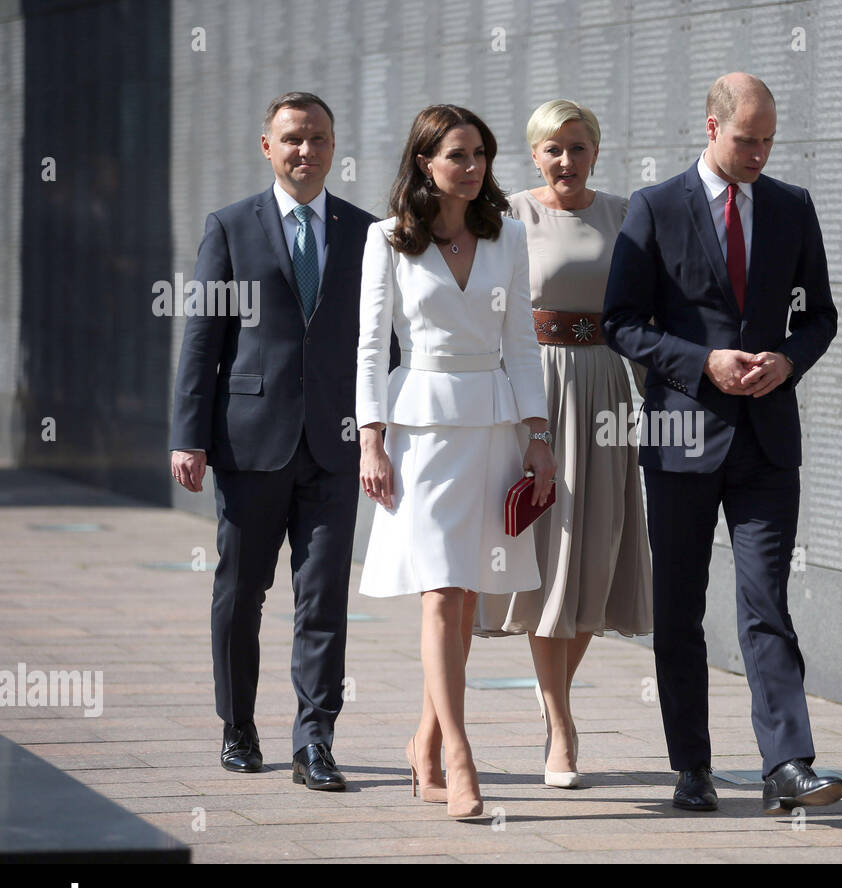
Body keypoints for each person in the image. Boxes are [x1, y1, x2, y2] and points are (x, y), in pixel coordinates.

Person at [603, 73, 842, 815]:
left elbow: (821, 316)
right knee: (679, 606)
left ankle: (787, 764)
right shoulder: (653, 207)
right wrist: (700, 361)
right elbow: (622, 322)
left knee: (766, 600)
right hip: (681, 435)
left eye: (770, 139)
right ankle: (692, 767)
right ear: (711, 129)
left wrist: (789, 359)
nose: (760, 153)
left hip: (767, 442)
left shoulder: (792, 207)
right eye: (748, 139)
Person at [170, 91, 375, 791]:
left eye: (318, 137)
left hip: (336, 446)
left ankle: (314, 740)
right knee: (240, 591)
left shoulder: (366, 232)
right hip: (249, 444)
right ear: (267, 146)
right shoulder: (229, 227)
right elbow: (202, 341)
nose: (305, 150)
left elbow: (386, 344)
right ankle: (238, 724)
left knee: (322, 598)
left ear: (333, 145)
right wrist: (187, 436)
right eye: (292, 138)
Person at [356, 104, 556, 820]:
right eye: (458, 156)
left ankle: (424, 743)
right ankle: (463, 759)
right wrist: (371, 437)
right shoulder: (387, 240)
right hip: (419, 430)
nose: (472, 168)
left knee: (468, 597)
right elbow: (372, 346)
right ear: (424, 162)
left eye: (480, 155)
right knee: (439, 593)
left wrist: (539, 434)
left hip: (494, 423)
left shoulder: (505, 235)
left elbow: (524, 344)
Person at [476, 100, 653, 790]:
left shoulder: (624, 214)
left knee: (596, 555)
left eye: (578, 148)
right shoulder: (511, 214)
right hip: (537, 389)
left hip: (606, 387)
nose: (566, 161)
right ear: (534, 154)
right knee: (548, 557)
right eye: (553, 149)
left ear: (595, 151)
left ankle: (558, 710)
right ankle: (561, 723)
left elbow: (641, 309)